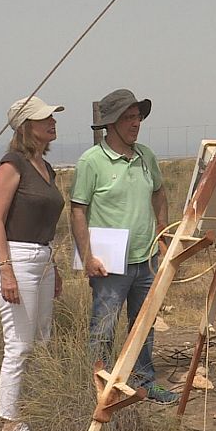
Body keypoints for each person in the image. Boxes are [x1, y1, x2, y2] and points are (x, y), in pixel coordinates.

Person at [69, 88, 178, 405]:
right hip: (109, 264)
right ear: (111, 124)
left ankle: (144, 383)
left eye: (138, 116)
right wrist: (87, 256)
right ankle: (99, 389)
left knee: (144, 324)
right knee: (103, 328)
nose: (136, 123)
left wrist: (163, 230)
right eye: (128, 118)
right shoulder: (91, 162)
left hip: (147, 259)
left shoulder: (146, 156)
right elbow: (78, 209)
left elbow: (159, 193)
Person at [0, 96, 65, 431]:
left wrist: (54, 266)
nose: (52, 122)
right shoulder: (12, 164)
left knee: (42, 339)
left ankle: (34, 408)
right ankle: (9, 425)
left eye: (51, 117)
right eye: (43, 118)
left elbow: (44, 223)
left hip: (42, 258)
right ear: (25, 127)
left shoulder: (45, 168)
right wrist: (6, 270)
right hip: (16, 257)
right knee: (18, 344)